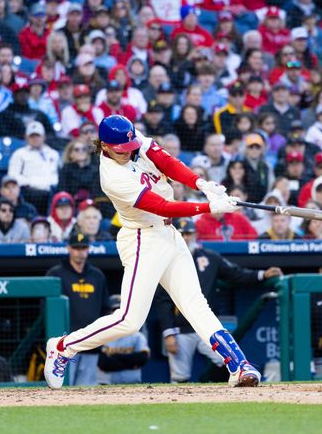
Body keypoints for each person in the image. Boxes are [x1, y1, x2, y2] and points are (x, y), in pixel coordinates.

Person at [45, 116, 262, 389]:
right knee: (129, 321)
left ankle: (238, 365)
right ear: (105, 146)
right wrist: (208, 208)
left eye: (130, 145)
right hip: (142, 238)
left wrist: (202, 185)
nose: (129, 151)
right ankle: (64, 346)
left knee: (196, 304)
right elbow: (162, 206)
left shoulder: (132, 140)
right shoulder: (112, 178)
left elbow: (168, 164)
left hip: (168, 234)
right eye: (121, 149)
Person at [157, 219, 282, 383]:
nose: (185, 238)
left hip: (207, 327)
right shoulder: (167, 262)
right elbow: (163, 299)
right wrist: (168, 333)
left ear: (195, 235)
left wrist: (262, 275)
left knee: (228, 362)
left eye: (188, 233)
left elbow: (236, 274)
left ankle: (236, 388)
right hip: (180, 329)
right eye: (181, 234)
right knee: (179, 376)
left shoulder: (209, 258)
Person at [45, 231, 110, 386]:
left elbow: (105, 308)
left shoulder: (97, 275)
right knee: (63, 386)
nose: (80, 252)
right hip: (65, 345)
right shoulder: (56, 273)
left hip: (91, 344)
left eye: (83, 248)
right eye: (76, 248)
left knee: (87, 389)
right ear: (68, 248)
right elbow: (46, 309)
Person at [97, 294, 150, 385]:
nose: (120, 315)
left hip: (133, 384)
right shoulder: (101, 335)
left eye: (123, 311)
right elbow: (104, 364)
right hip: (105, 385)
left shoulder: (137, 336)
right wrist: (131, 364)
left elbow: (142, 359)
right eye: (115, 311)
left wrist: (115, 357)